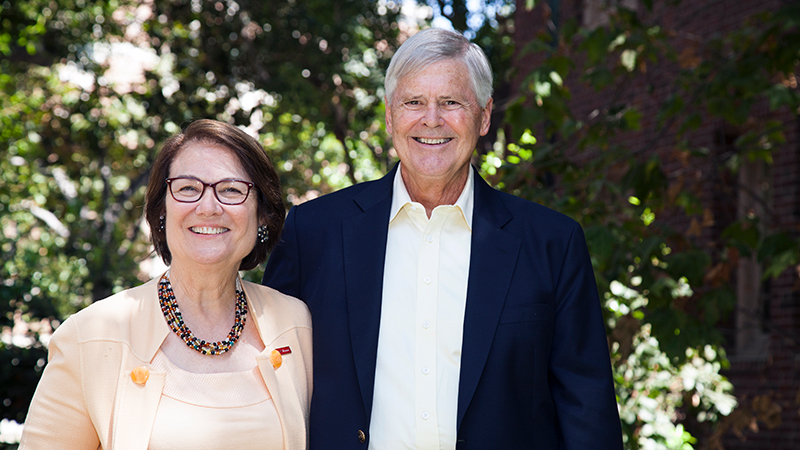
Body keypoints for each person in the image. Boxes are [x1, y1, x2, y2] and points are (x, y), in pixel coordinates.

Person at [262, 27, 622, 450]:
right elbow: (274, 384)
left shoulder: (552, 244)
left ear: (484, 116)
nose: (431, 119)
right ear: (390, 115)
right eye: (414, 102)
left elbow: (587, 410)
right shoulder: (312, 233)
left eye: (451, 102)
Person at [20, 119, 312, 450]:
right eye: (188, 188)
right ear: (162, 210)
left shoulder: (295, 324)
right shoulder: (90, 336)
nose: (208, 207)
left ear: (262, 215)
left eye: (231, 190)